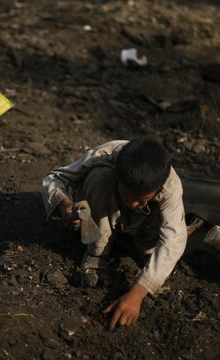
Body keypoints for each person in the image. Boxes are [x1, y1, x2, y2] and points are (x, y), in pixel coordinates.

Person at [41, 138, 188, 330]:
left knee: (167, 223)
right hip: (103, 211)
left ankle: (144, 252)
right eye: (127, 194)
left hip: (142, 226)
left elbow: (174, 239)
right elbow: (53, 179)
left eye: (140, 199)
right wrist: (65, 205)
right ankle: (97, 254)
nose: (133, 203)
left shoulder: (170, 185)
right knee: (99, 177)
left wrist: (138, 293)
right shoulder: (106, 155)